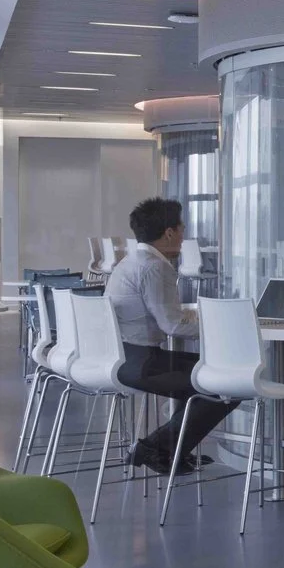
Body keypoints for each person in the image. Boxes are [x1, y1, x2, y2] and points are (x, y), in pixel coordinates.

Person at [105, 196, 237, 472]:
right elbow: (173, 326)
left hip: (125, 357)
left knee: (207, 372)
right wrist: (223, 325)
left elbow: (167, 315)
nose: (183, 235)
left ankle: (173, 452)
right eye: (182, 229)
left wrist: (198, 317)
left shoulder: (130, 261)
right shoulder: (154, 267)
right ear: (169, 233)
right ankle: (154, 448)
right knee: (228, 381)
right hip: (140, 364)